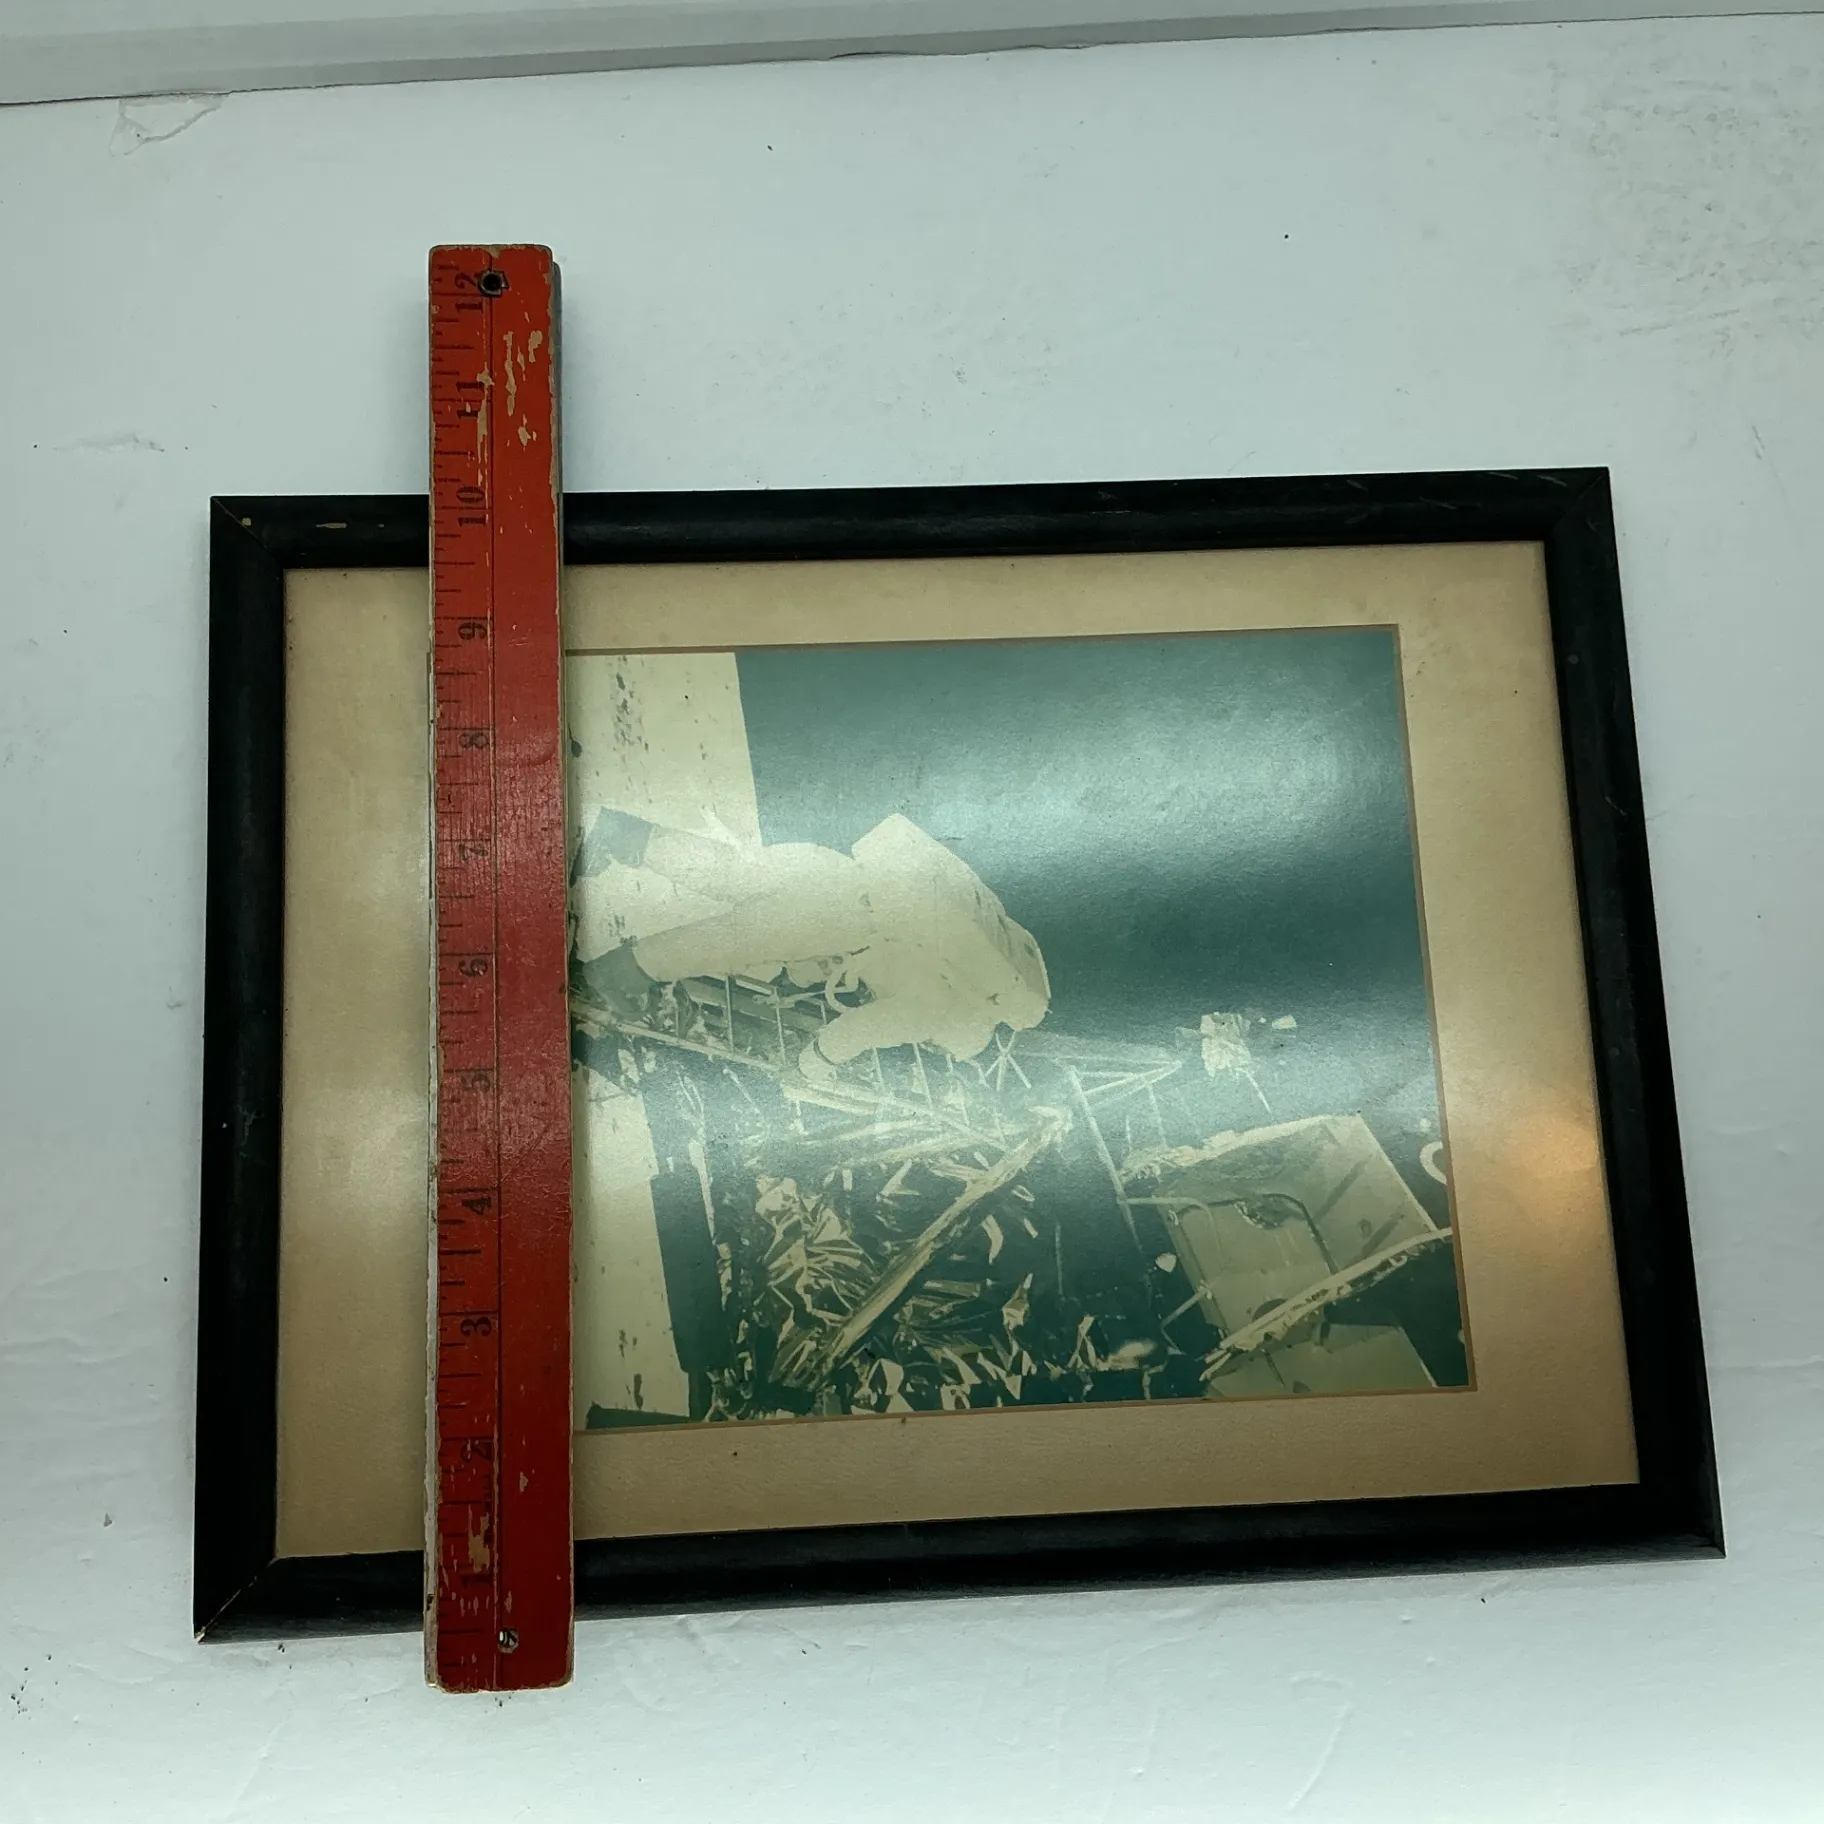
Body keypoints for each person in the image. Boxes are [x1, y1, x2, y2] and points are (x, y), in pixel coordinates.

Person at [573, 807, 1049, 1081]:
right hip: (841, 919)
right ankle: (611, 975)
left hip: (844, 874)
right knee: (728, 940)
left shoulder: (970, 952)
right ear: (962, 1037)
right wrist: (812, 1067)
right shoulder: (942, 1011)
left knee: (730, 873)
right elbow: (864, 1029)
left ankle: (625, 835)